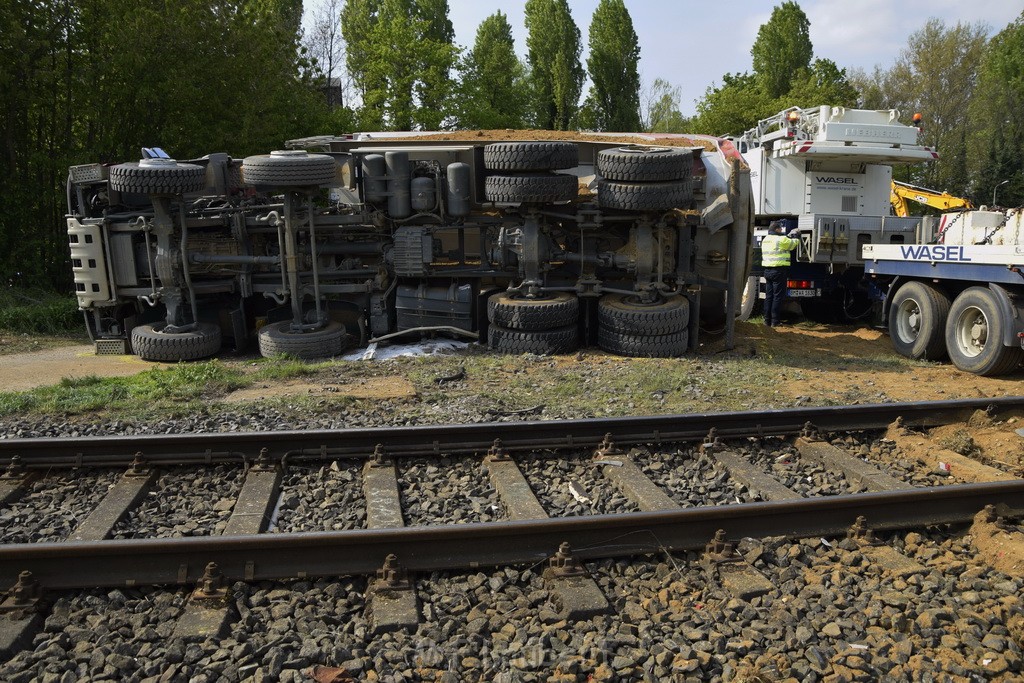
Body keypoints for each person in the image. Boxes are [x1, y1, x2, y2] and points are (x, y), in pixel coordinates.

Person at [760, 221, 800, 327]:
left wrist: (787, 236)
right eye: (780, 229)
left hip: (767, 271)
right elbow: (793, 244)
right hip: (778, 271)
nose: (781, 230)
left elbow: (781, 243)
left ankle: (767, 321)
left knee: (769, 297)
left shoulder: (766, 239)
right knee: (777, 297)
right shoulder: (781, 239)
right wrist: (796, 235)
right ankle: (775, 322)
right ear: (776, 229)